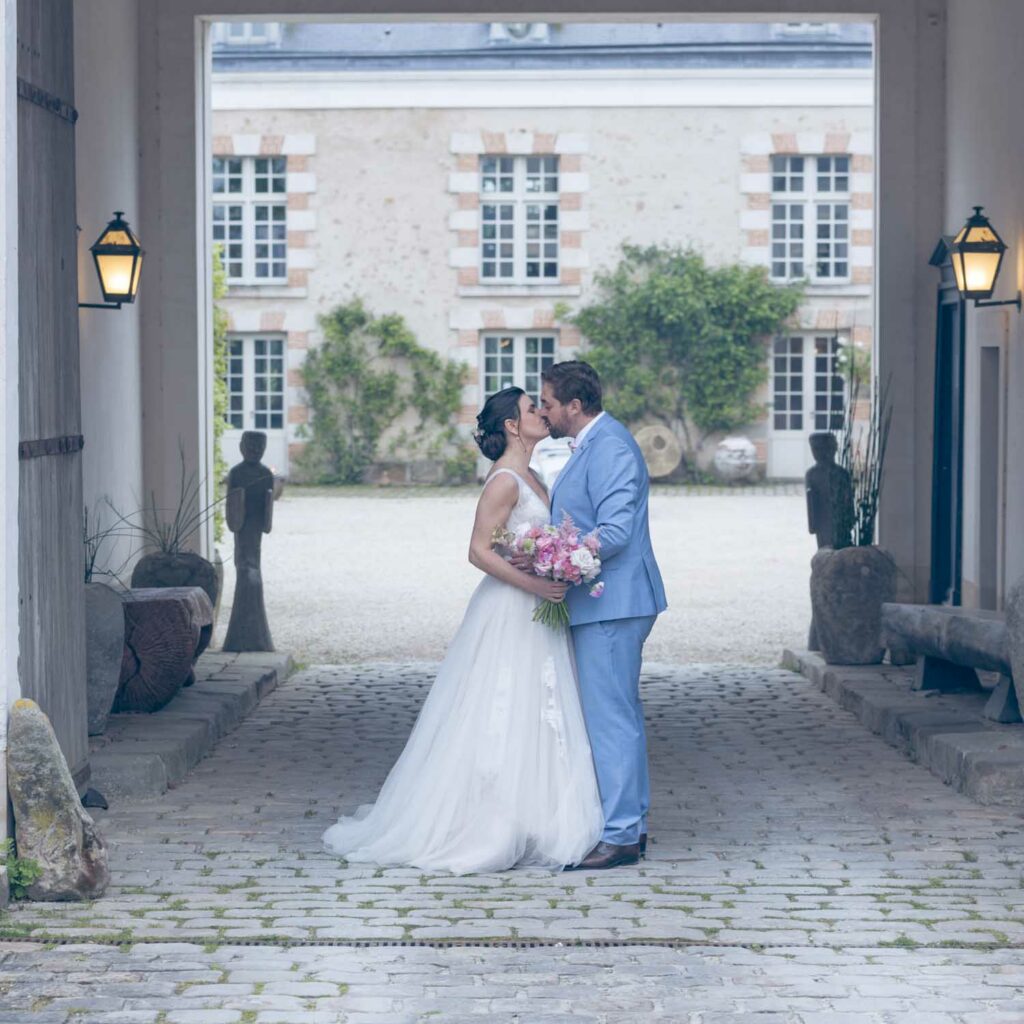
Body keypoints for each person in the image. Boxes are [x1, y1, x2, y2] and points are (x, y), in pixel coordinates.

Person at [322, 387, 603, 874]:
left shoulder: (533, 474)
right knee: (501, 707)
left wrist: (556, 564)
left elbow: (522, 539)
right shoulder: (504, 481)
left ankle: (537, 816)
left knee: (540, 707)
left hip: (535, 605)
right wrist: (538, 583)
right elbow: (478, 551)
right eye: (531, 408)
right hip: (511, 609)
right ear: (513, 426)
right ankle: (488, 823)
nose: (541, 412)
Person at [539, 361, 667, 871]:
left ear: (574, 405)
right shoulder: (596, 442)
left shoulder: (610, 445)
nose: (543, 411)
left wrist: (559, 560)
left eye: (548, 402)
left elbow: (613, 531)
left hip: (611, 602)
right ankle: (628, 825)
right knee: (617, 716)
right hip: (603, 602)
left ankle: (619, 837)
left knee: (611, 720)